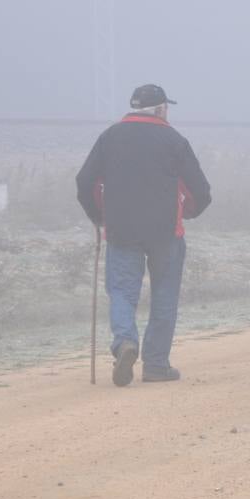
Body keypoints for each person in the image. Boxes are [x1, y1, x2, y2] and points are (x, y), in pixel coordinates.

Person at [76, 84, 212, 386]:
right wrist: (187, 210)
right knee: (164, 294)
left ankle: (125, 342)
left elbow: (85, 182)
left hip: (121, 229)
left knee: (123, 291)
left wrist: (98, 216)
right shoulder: (174, 140)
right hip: (166, 231)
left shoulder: (110, 137)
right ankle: (156, 365)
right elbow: (201, 190)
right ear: (161, 109)